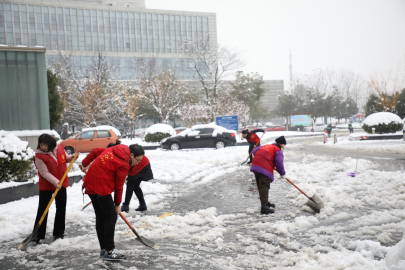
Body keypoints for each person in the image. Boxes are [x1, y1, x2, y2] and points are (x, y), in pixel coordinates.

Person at [82, 144, 140, 261]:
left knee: (101, 217)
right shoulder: (123, 164)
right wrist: (117, 204)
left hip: (91, 184)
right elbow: (119, 187)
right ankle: (109, 250)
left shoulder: (114, 149)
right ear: (132, 155)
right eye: (137, 160)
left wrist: (84, 163)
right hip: (101, 188)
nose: (137, 163)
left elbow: (96, 150)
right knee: (111, 217)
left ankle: (104, 249)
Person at [32, 133, 72, 243]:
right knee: (43, 209)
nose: (43, 147)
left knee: (61, 208)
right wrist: (55, 182)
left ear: (51, 144)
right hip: (47, 186)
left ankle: (59, 233)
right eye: (41, 144)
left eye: (45, 145)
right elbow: (44, 173)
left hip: (61, 183)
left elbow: (65, 159)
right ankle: (38, 235)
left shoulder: (59, 148)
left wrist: (71, 158)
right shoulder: (39, 156)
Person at [250, 136, 286, 215]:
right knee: (264, 186)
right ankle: (264, 208)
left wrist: (264, 157)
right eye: (284, 145)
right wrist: (282, 173)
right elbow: (279, 163)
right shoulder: (278, 150)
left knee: (261, 186)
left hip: (255, 166)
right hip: (264, 168)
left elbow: (254, 151)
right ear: (282, 144)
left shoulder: (267, 146)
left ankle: (265, 203)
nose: (284, 147)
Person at [121, 145, 154, 213]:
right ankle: (142, 205)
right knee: (135, 186)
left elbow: (130, 171)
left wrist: (125, 177)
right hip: (141, 165)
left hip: (142, 166)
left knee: (130, 184)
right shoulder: (127, 155)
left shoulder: (136, 159)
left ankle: (125, 206)